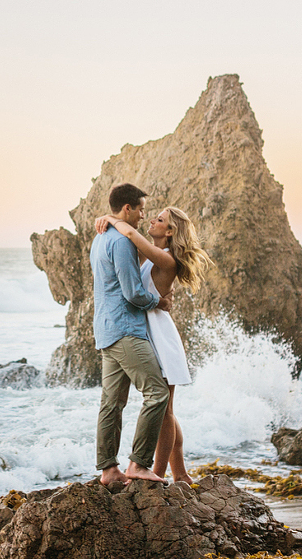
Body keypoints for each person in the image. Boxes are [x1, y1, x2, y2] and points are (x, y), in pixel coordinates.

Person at [95, 205, 215, 483]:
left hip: (159, 335)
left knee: (165, 410)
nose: (152, 220)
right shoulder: (154, 255)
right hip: (145, 330)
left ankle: (157, 473)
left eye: (159, 220)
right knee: (165, 411)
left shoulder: (166, 258)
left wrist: (113, 220)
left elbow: (129, 233)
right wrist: (110, 220)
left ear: (170, 232)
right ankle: (181, 473)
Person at [91, 183, 169, 485]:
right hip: (125, 329)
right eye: (140, 210)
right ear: (127, 209)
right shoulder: (122, 243)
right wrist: (158, 301)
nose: (142, 216)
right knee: (157, 392)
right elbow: (133, 293)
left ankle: (109, 470)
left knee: (111, 402)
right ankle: (138, 464)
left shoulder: (99, 238)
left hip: (105, 329)